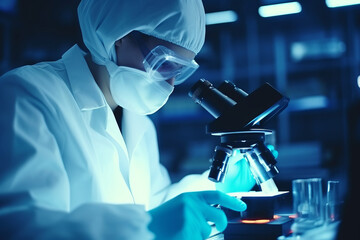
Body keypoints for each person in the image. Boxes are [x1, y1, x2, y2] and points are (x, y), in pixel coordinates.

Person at [0, 0, 261, 239]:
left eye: (179, 71)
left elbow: (154, 206)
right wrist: (143, 229)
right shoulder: (27, 95)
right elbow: (23, 229)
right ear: (120, 37)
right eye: (164, 65)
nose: (169, 85)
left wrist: (214, 185)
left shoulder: (138, 121)